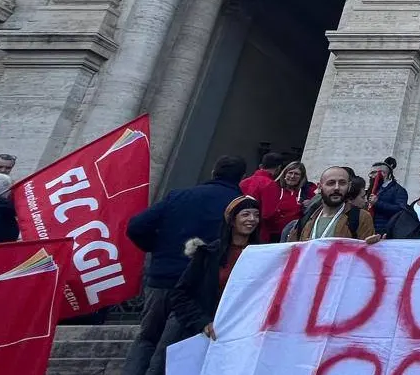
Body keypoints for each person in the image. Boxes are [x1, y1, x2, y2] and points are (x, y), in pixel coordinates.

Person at [122, 156, 246, 375]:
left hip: (162, 278)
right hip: (194, 287)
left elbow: (136, 226)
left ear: (213, 172)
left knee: (146, 337)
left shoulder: (179, 196)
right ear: (242, 177)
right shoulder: (237, 205)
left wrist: (157, 248)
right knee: (171, 346)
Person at [164, 196, 262, 360]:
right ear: (232, 220)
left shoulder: (263, 254)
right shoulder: (208, 254)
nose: (252, 219)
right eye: (246, 214)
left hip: (244, 338)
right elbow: (180, 294)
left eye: (256, 215)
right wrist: (202, 322)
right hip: (207, 336)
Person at [292, 167, 376, 241]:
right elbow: (291, 250)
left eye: (342, 183)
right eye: (331, 183)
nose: (337, 188)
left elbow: (365, 255)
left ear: (349, 186)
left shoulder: (361, 217)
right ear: (320, 187)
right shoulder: (307, 216)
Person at [252, 161, 308, 242]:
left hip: (292, 236)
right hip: (270, 235)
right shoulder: (273, 188)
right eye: (290, 173)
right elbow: (265, 213)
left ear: (301, 177)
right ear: (284, 174)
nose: (292, 176)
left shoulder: (305, 193)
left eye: (296, 174)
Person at [365, 159, 408, 233]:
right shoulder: (373, 188)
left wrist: (378, 203)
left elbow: (401, 210)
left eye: (373, 173)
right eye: (370, 173)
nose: (371, 176)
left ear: (384, 173)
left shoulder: (398, 190)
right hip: (369, 229)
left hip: (385, 231)